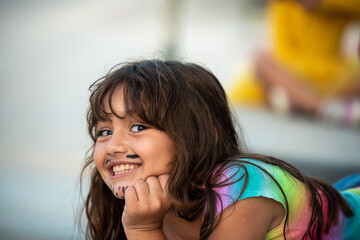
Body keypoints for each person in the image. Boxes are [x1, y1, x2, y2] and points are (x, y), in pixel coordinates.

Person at [80, 59, 360, 240]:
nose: (113, 146)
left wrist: (143, 230)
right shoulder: (145, 203)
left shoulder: (240, 187)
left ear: (195, 135)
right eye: (104, 131)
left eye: (138, 127)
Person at [229, 0, 360, 126]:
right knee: (260, 61)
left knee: (263, 65)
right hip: (296, 73)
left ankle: (306, 103)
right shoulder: (283, 6)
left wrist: (326, 3)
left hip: (332, 74)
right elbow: (281, 52)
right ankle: (324, 109)